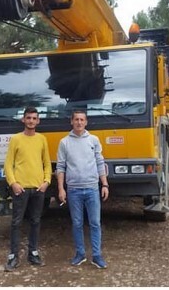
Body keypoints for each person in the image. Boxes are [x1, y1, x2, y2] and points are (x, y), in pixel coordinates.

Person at [56, 110, 109, 269]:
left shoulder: (93, 140)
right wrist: (61, 189)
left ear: (86, 122)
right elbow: (60, 167)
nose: (79, 122)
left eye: (82, 120)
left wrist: (104, 184)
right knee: (77, 223)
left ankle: (97, 255)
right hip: (73, 190)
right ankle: (80, 254)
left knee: (95, 223)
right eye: (76, 120)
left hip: (92, 188)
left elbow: (100, 162)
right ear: (71, 122)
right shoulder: (64, 142)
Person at [3, 107, 52, 271]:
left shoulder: (42, 139)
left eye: (34, 118)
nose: (31, 121)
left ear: (38, 121)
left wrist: (46, 182)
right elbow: (8, 164)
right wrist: (13, 183)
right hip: (21, 189)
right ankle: (13, 256)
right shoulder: (16, 139)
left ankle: (33, 253)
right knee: (16, 222)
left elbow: (47, 163)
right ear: (23, 120)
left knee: (35, 221)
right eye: (28, 118)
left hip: (38, 189)